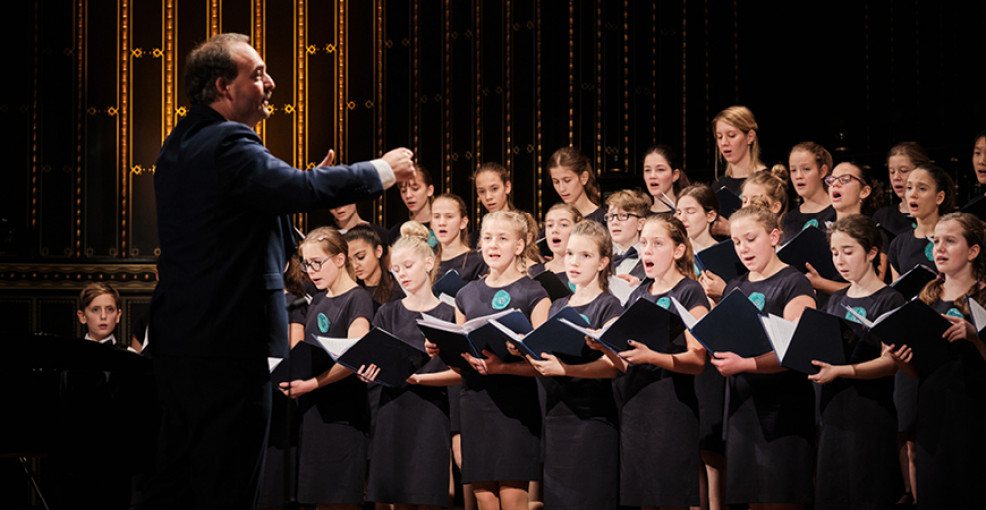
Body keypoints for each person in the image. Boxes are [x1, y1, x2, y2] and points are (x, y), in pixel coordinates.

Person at [143, 32, 414, 509]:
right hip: (229, 346)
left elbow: (241, 226)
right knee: (227, 485)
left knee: (180, 484)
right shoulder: (228, 140)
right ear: (225, 86)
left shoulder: (179, 144)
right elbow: (295, 188)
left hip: (184, 344)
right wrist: (380, 171)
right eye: (259, 74)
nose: (270, 83)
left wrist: (296, 191)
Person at [594, 215, 709, 509]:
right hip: (635, 405)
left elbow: (697, 359)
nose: (647, 251)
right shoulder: (637, 294)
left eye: (658, 244)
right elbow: (625, 361)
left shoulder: (689, 291)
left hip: (670, 407)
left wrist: (652, 356)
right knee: (643, 497)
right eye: (644, 243)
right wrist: (604, 345)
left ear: (678, 250)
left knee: (670, 496)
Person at [710, 204, 817, 509]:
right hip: (744, 406)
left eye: (750, 238)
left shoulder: (794, 283)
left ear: (773, 236)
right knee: (752, 497)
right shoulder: (735, 285)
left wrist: (745, 363)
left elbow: (795, 349)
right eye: (736, 241)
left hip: (783, 408)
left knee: (781, 496)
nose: (743, 248)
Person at [520, 219, 622, 509]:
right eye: (570, 254)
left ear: (603, 262)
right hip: (557, 414)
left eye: (586, 256)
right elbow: (548, 356)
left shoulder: (609, 305)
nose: (574, 262)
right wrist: (522, 347)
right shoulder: (558, 306)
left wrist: (566, 370)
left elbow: (613, 365)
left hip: (593, 417)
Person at [456, 211, 551, 510]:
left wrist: (503, 366)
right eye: (487, 237)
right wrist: (442, 347)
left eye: (502, 238)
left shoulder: (534, 292)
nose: (492, 244)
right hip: (475, 401)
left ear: (520, 246)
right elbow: (460, 351)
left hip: (515, 407)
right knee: (484, 498)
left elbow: (544, 363)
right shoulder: (466, 294)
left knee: (512, 497)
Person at [891, 212, 986, 507]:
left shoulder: (983, 297)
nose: (939, 248)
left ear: (973, 251)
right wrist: (902, 359)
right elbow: (920, 370)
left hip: (975, 414)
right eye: (936, 241)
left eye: (950, 241)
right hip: (933, 414)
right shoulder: (925, 298)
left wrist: (975, 336)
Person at [811, 215, 904, 509]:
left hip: (869, 412)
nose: (840, 259)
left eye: (848, 251)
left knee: (868, 490)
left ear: (872, 252)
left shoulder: (890, 300)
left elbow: (890, 363)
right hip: (833, 409)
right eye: (835, 252)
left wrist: (843, 370)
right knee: (834, 492)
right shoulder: (836, 299)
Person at [365, 221, 459, 510]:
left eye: (408, 266)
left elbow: (460, 373)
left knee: (428, 492)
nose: (401, 274)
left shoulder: (449, 312)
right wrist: (368, 371)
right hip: (392, 410)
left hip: (431, 412)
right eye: (396, 269)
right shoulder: (387, 312)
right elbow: (373, 360)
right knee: (398, 496)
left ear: (428, 263)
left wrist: (419, 379)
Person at [872, 142, 931, 238]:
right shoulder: (882, 217)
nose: (896, 177)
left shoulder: (937, 216)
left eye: (903, 171)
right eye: (892, 172)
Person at [781, 142, 835, 241]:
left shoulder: (837, 212)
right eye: (793, 170)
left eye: (806, 169)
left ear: (823, 171)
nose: (798, 176)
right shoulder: (788, 219)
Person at [345, 224, 403, 310]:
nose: (355, 265)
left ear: (378, 251)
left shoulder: (397, 291)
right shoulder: (350, 293)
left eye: (361, 257)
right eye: (350, 260)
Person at [529, 203, 583, 293]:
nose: (554, 230)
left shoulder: (586, 272)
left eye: (563, 225)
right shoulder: (533, 272)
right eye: (550, 225)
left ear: (578, 230)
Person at [433, 194, 488, 282]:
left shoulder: (476, 261)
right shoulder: (427, 259)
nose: (441, 223)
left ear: (463, 222)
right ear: (431, 223)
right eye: (436, 216)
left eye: (449, 216)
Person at [548, 147, 606, 224]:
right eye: (556, 182)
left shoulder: (601, 220)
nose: (561, 189)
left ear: (584, 178)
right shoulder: (553, 219)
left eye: (567, 180)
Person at [605, 189, 650, 282]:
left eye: (623, 216)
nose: (614, 222)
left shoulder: (652, 256)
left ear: (640, 224)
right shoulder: (602, 257)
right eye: (610, 216)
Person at [389, 165, 436, 244]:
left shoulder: (442, 226)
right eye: (403, 190)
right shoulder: (397, 231)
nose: (408, 195)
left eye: (415, 189)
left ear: (429, 190)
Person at [642, 145, 689, 213]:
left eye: (660, 169)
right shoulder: (640, 216)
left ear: (675, 175)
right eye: (647, 170)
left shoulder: (685, 214)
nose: (652, 176)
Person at [77, 282, 125, 348]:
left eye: (110, 309)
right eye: (95, 310)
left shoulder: (131, 353)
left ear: (118, 315)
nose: (103, 316)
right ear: (82, 316)